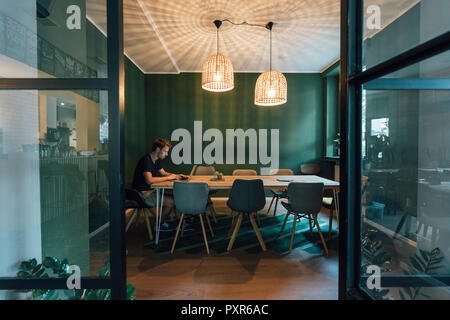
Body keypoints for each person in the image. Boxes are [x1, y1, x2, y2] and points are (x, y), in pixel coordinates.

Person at [132, 138, 191, 232]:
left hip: (150, 190)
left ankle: (181, 222)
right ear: (158, 150)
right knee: (171, 202)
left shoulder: (156, 159)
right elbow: (149, 180)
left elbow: (163, 173)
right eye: (165, 151)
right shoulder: (146, 160)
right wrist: (169, 178)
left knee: (176, 194)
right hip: (142, 194)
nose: (167, 154)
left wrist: (176, 176)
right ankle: (158, 225)